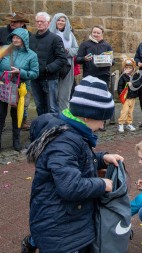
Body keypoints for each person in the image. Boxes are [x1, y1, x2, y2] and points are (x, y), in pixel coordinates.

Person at [22, 76, 123, 253]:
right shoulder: (65, 141)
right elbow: (70, 186)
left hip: (67, 218)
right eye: (102, 119)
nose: (102, 126)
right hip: (60, 226)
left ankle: (33, 242)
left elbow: (76, 162)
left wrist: (101, 158)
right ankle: (33, 242)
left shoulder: (73, 133)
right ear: (86, 116)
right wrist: (102, 184)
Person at [0, 28, 39, 151]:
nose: (15, 40)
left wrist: (20, 72)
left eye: (18, 38)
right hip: (3, 87)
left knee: (17, 116)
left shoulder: (32, 55)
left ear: (24, 39)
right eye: (13, 37)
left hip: (19, 89)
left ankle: (16, 143)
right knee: (0, 115)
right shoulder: (5, 49)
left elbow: (35, 73)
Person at [29, 12, 66, 115]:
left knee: (52, 107)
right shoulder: (31, 39)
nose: (39, 23)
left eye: (42, 21)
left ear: (48, 23)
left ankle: (54, 129)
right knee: (39, 106)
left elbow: (62, 59)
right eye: (37, 21)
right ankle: (42, 128)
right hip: (35, 78)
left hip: (49, 78)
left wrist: (47, 68)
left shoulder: (55, 39)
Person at [0, 12, 32, 130]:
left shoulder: (28, 35)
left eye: (15, 21)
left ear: (22, 23)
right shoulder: (2, 32)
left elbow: (30, 54)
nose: (12, 23)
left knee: (23, 100)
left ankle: (22, 121)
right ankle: (1, 123)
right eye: (11, 21)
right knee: (2, 103)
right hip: (4, 76)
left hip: (21, 75)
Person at [48, 13, 79, 111]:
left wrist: (67, 51)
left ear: (66, 23)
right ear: (54, 21)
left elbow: (76, 49)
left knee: (64, 94)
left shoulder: (70, 35)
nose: (60, 22)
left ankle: (64, 115)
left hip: (67, 66)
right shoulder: (49, 34)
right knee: (52, 94)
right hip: (53, 66)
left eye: (63, 20)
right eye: (58, 20)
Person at [117, 58, 140, 133]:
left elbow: (138, 84)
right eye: (126, 68)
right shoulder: (123, 76)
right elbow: (120, 86)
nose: (128, 69)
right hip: (125, 97)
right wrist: (121, 93)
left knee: (130, 111)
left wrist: (132, 84)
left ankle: (129, 123)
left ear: (133, 68)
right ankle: (121, 123)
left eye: (130, 68)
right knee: (125, 110)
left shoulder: (135, 75)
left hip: (132, 96)